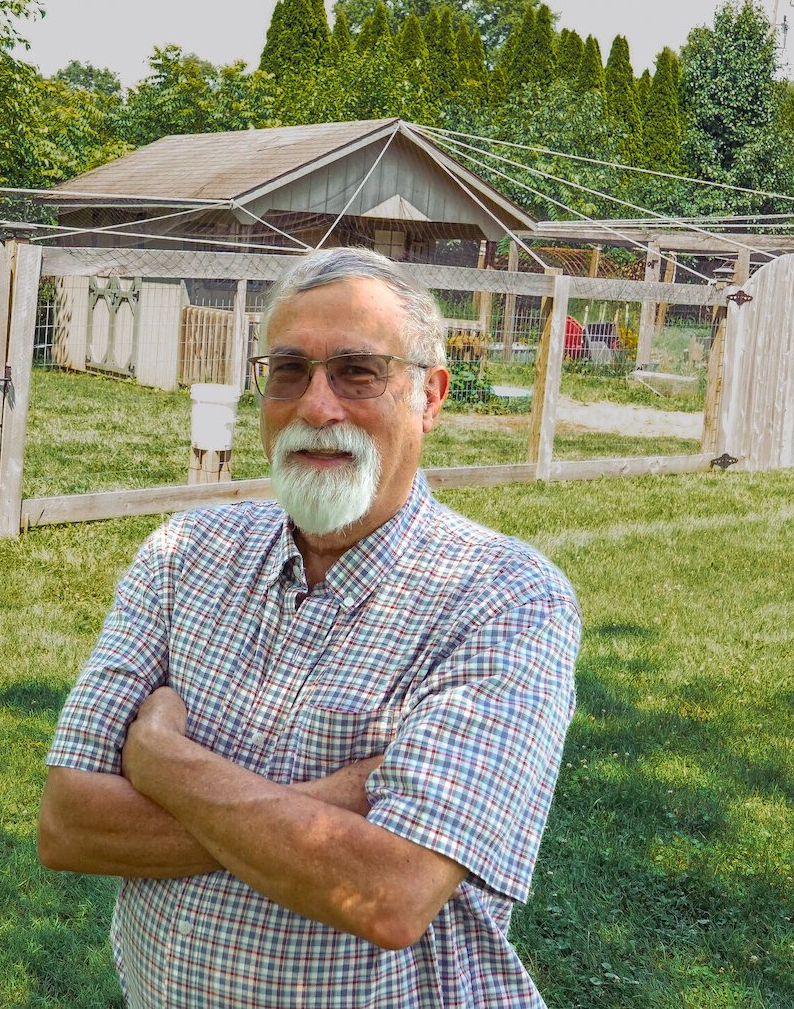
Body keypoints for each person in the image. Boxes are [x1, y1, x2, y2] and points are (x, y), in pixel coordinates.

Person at [36, 247, 581, 1007]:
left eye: (358, 373)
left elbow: (389, 892)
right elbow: (68, 825)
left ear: (430, 396)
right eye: (289, 371)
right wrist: (340, 798)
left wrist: (159, 761)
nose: (316, 407)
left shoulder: (503, 598)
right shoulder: (184, 555)